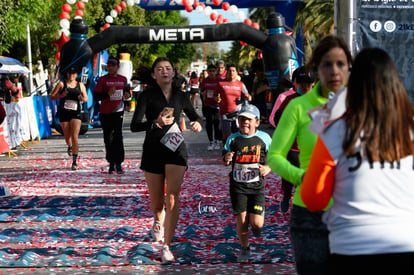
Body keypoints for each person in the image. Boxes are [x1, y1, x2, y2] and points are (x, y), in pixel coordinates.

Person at [301, 48, 414, 274]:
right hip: (407, 243)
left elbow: (313, 200)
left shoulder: (336, 132)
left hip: (351, 249)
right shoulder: (410, 129)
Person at [267, 35, 353, 275]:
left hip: (353, 212)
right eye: (327, 64)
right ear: (316, 69)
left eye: (341, 64)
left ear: (348, 67)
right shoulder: (298, 107)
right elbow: (274, 156)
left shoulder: (360, 105)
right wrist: (301, 177)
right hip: (309, 213)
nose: (334, 71)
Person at [130, 57, 202, 263]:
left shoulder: (181, 96)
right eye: (159, 69)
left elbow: (195, 116)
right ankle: (157, 219)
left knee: (172, 197)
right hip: (153, 149)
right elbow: (135, 125)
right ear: (153, 75)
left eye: (168, 68)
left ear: (173, 73)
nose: (164, 71)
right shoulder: (146, 96)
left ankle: (167, 246)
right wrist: (155, 122)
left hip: (175, 149)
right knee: (157, 203)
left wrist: (197, 123)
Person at [223, 103, 272, 263]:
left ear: (257, 122)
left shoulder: (265, 138)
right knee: (241, 219)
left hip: (257, 187)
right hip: (238, 187)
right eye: (242, 119)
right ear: (238, 121)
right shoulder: (232, 138)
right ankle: (244, 247)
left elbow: (274, 157)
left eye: (249, 119)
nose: (245, 122)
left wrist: (268, 168)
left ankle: (256, 225)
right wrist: (227, 158)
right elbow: (225, 158)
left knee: (256, 224)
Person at [270, 66, 315, 213]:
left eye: (308, 82)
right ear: (295, 83)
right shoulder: (289, 100)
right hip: (292, 147)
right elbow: (277, 119)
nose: (305, 86)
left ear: (313, 83)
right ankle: (286, 196)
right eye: (301, 82)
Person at [93, 56, 131, 174]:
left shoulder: (123, 79)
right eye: (108, 65)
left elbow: (128, 92)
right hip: (105, 112)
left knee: (118, 137)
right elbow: (96, 97)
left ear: (117, 67)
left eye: (112, 65)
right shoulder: (102, 80)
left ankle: (119, 163)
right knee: (108, 138)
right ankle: (111, 163)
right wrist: (107, 94)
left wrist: (127, 96)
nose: (110, 67)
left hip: (118, 112)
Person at [50, 66, 88, 170]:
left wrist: (82, 98)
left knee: (75, 136)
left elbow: (86, 98)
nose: (71, 75)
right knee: (68, 137)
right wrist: (61, 96)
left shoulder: (80, 85)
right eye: (69, 73)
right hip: (64, 112)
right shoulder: (62, 84)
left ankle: (74, 162)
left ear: (76, 75)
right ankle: (70, 146)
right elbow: (51, 96)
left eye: (73, 73)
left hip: (76, 112)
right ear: (67, 74)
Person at [216, 64, 252, 143]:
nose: (231, 73)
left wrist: (248, 97)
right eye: (229, 71)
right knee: (226, 135)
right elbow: (215, 96)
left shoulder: (240, 84)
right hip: (225, 113)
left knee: (238, 134)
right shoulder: (220, 84)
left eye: (233, 71)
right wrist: (217, 98)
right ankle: (226, 152)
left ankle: (237, 152)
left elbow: (247, 95)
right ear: (226, 72)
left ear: (236, 73)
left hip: (237, 113)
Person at [200, 64, 222, 150]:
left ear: (216, 71)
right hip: (207, 105)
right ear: (208, 72)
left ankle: (217, 141)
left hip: (217, 105)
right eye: (210, 71)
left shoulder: (219, 80)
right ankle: (211, 142)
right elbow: (201, 91)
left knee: (217, 123)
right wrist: (203, 93)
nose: (212, 73)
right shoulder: (205, 81)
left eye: (213, 71)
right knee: (209, 123)